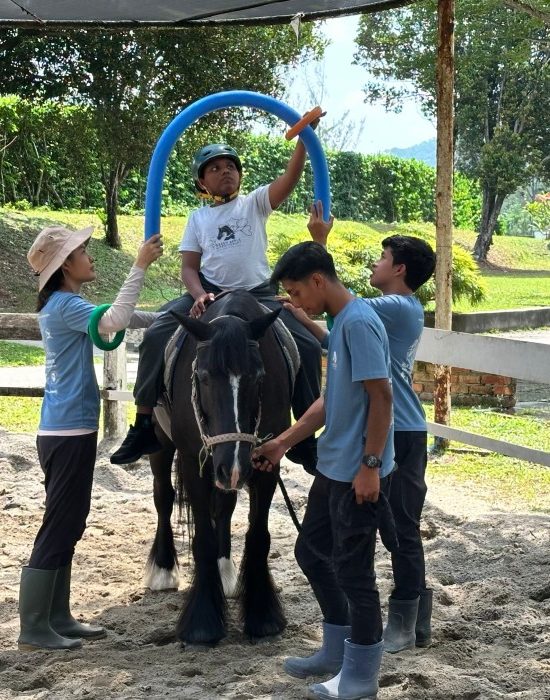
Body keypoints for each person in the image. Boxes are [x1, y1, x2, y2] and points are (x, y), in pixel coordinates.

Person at [110, 140, 322, 473]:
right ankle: (144, 423)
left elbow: (289, 178)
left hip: (258, 294)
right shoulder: (198, 218)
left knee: (307, 345)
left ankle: (305, 439)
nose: (225, 172)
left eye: (231, 167)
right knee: (156, 334)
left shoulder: (255, 203)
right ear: (202, 182)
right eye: (215, 168)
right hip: (208, 292)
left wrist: (302, 141)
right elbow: (189, 268)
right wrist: (197, 295)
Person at [289, 211, 437, 654]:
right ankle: (408, 622)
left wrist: (319, 249)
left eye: (382, 257)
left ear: (400, 269)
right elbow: (336, 337)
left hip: (398, 430)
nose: (375, 263)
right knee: (395, 526)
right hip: (391, 427)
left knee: (402, 529)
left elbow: (342, 303)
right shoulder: (386, 313)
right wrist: (301, 311)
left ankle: (407, 621)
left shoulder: (396, 306)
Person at [252, 241, 394, 700]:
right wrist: (282, 442)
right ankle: (336, 650)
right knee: (313, 553)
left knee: (355, 573)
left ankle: (361, 677)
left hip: (357, 471)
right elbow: (329, 402)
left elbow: (382, 397)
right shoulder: (341, 322)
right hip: (333, 467)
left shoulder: (360, 323)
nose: (296, 302)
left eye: (296, 292)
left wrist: (370, 465)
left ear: (318, 280)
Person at [21, 225, 163, 651]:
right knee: (59, 524)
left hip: (69, 429)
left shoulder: (66, 304)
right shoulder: (65, 305)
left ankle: (57, 615)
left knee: (70, 519)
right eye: (83, 251)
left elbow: (121, 317)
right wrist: (139, 265)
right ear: (66, 265)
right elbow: (115, 319)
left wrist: (172, 316)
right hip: (68, 431)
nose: (90, 256)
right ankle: (33, 626)